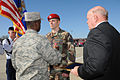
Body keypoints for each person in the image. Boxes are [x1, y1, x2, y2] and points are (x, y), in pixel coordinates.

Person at [71, 6, 120, 80]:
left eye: (87, 19)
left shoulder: (96, 33)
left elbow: (95, 67)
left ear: (95, 18)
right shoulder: (114, 31)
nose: (86, 22)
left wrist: (78, 71)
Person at [11, 12, 61, 80]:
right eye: (40, 23)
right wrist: (55, 49)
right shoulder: (41, 40)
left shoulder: (17, 42)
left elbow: (14, 64)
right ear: (36, 23)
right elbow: (55, 60)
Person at [46, 14, 76, 80]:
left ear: (58, 22)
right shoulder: (47, 37)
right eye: (49, 21)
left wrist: (67, 70)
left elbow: (71, 53)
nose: (51, 23)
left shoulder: (65, 35)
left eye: (53, 21)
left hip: (61, 71)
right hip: (49, 72)